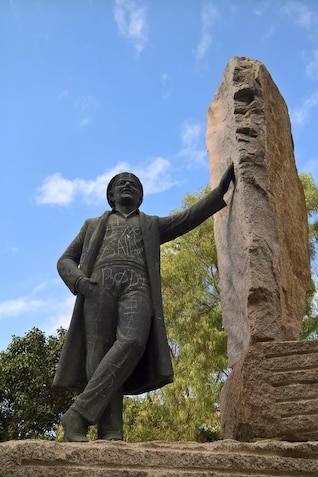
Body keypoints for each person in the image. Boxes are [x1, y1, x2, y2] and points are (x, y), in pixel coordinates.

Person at [53, 164, 235, 441]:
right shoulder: (92, 225)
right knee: (98, 354)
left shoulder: (150, 224)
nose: (127, 185)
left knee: (133, 341)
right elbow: (65, 259)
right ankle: (110, 430)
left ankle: (78, 414)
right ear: (111, 195)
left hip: (137, 284)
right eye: (121, 183)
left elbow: (186, 218)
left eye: (133, 184)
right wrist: (80, 282)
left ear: (140, 197)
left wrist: (218, 193)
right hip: (98, 286)